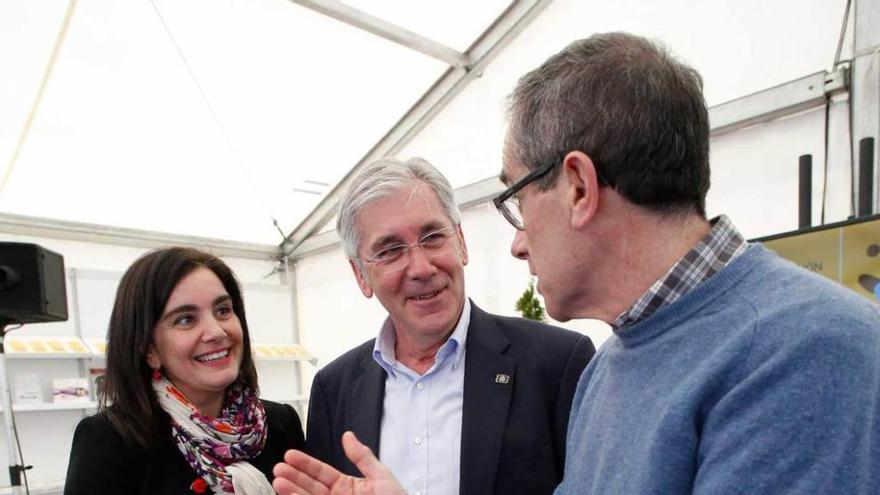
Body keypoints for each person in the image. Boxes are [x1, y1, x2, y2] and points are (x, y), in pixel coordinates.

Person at [272, 32, 880, 495]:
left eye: (514, 198)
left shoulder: (806, 350)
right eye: (389, 250)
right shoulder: (613, 366)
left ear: (579, 187)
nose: (515, 242)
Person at [303, 157, 595, 495]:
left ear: (461, 242)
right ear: (360, 275)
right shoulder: (333, 389)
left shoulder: (558, 363)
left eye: (432, 237)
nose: (421, 267)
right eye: (391, 250)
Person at [65, 247, 305, 494]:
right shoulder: (111, 441)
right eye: (186, 319)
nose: (216, 332)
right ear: (149, 350)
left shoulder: (279, 424)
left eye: (223, 310)